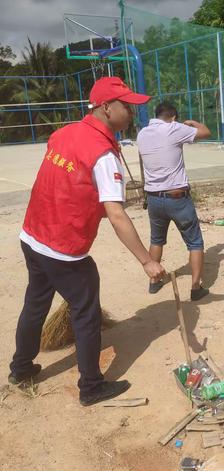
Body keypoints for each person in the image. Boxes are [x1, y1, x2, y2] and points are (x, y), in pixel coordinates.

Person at [9, 77, 166, 406]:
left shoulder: (64, 133)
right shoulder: (102, 153)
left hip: (33, 236)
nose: (133, 113)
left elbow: (69, 182)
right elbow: (117, 214)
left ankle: (21, 369)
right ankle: (91, 386)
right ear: (107, 108)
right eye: (128, 106)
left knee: (35, 305)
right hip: (62, 249)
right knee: (86, 312)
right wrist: (147, 260)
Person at [137, 103, 211, 300]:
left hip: (153, 199)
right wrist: (190, 123)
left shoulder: (142, 134)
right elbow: (205, 132)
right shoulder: (174, 128)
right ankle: (196, 287)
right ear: (173, 117)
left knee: (156, 239)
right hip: (177, 198)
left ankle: (154, 281)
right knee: (195, 242)